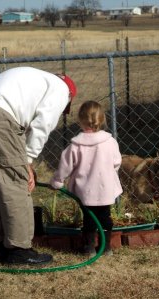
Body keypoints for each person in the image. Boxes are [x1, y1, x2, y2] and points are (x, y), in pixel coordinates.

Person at [0, 66, 77, 265]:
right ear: (70, 95)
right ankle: (19, 250)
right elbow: (42, 126)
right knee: (15, 184)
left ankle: (1, 248)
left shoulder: (34, 78)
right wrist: (27, 161)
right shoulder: (61, 89)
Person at [50, 100, 123, 256]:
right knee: (105, 217)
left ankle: (89, 247)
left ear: (80, 120)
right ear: (102, 120)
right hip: (105, 189)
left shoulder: (76, 146)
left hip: (86, 191)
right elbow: (117, 162)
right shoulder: (110, 142)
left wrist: (58, 180)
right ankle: (106, 247)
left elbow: (65, 166)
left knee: (89, 218)